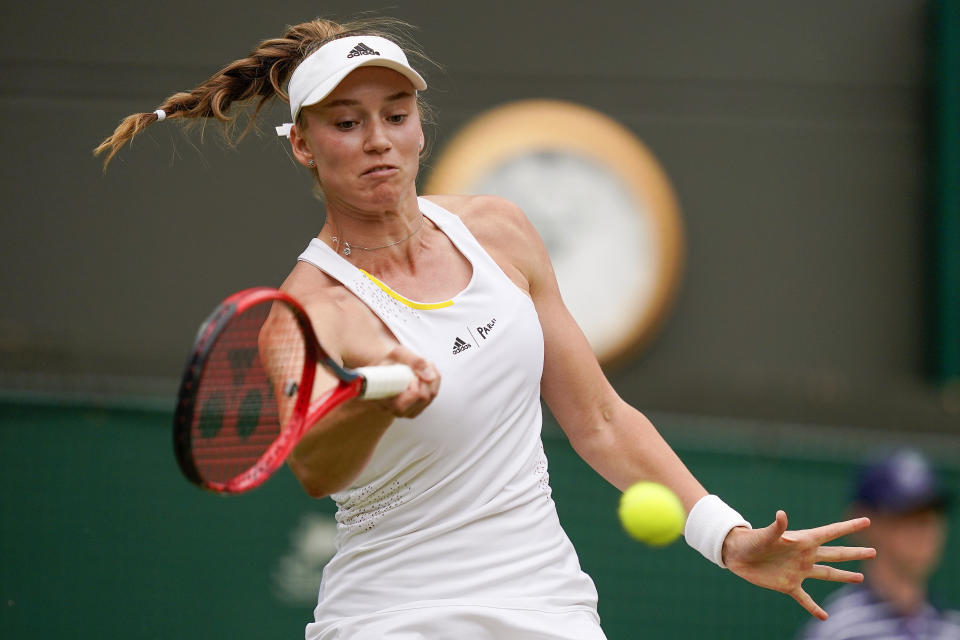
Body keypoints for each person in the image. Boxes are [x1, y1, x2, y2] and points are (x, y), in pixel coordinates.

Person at [96, 16, 877, 639]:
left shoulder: (500, 231)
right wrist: (377, 402)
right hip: (394, 619)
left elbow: (600, 419)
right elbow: (315, 470)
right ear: (302, 143)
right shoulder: (309, 314)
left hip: (548, 609)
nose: (377, 140)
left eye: (395, 116)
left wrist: (726, 537)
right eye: (346, 122)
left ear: (419, 128)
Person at [797, 448, 959, 639]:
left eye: (931, 515)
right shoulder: (838, 631)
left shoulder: (951, 628)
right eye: (907, 515)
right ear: (864, 522)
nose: (924, 530)